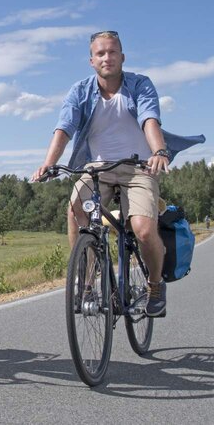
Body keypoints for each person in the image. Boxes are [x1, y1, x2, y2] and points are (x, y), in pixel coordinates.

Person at [32, 31, 204, 317]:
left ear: (122, 57)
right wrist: (48, 163)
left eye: (112, 52)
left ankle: (155, 285)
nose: (107, 58)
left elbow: (150, 118)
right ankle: (86, 282)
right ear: (91, 61)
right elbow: (64, 127)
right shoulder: (79, 91)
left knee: (143, 229)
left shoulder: (140, 85)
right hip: (97, 168)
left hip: (138, 168)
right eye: (100, 53)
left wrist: (159, 151)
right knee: (75, 209)